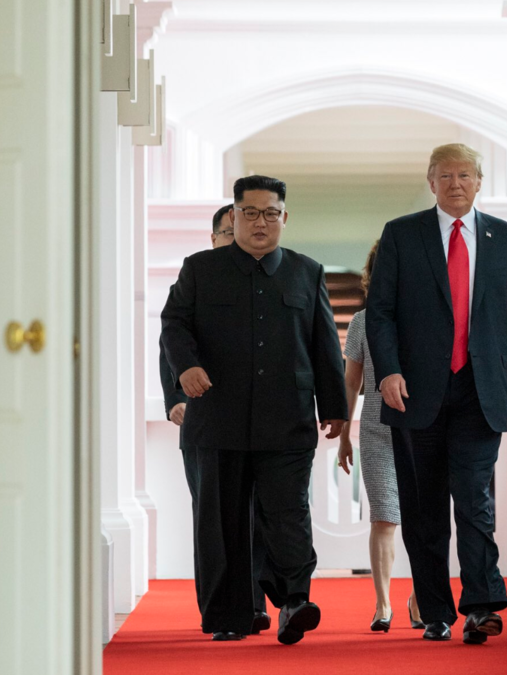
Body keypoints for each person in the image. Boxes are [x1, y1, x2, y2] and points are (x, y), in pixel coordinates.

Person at [161, 175, 348, 644]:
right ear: (234, 217)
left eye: (270, 213)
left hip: (287, 420)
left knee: (288, 515)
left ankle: (294, 601)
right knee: (221, 522)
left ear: (284, 217)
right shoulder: (200, 269)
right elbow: (174, 324)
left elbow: (325, 345)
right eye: (250, 212)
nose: (261, 222)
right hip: (217, 419)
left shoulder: (308, 272)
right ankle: (229, 615)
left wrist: (335, 407)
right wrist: (186, 368)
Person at [366, 143, 507, 644]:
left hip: (483, 392)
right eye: (446, 175)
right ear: (431, 181)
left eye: (465, 174)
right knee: (423, 510)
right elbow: (380, 313)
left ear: (479, 181)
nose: (456, 182)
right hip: (415, 394)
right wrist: (388, 371)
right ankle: (436, 610)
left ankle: (481, 605)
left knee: (475, 501)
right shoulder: (402, 235)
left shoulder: (506, 239)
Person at [158, 203, 272, 635]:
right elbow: (170, 346)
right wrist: (173, 400)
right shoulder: (193, 280)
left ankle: (255, 601)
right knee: (216, 521)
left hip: (261, 426)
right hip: (206, 422)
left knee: (260, 516)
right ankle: (228, 609)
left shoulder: (267, 285)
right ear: (215, 239)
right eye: (230, 234)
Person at [338, 240, 423, 633]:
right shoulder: (361, 322)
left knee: (426, 519)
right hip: (376, 431)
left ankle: (422, 598)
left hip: (424, 431)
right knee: (384, 518)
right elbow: (352, 380)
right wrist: (343, 433)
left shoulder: (430, 322)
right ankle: (383, 604)